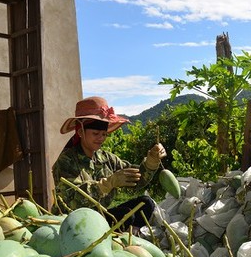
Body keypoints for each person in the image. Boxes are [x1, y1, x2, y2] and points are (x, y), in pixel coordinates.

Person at [52, 96, 167, 230]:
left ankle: (130, 237)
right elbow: (71, 201)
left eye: (104, 134)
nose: (101, 138)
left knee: (145, 204)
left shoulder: (107, 159)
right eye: (95, 134)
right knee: (125, 216)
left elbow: (135, 179)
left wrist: (151, 162)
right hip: (74, 223)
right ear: (80, 132)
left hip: (99, 217)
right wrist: (107, 184)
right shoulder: (66, 160)